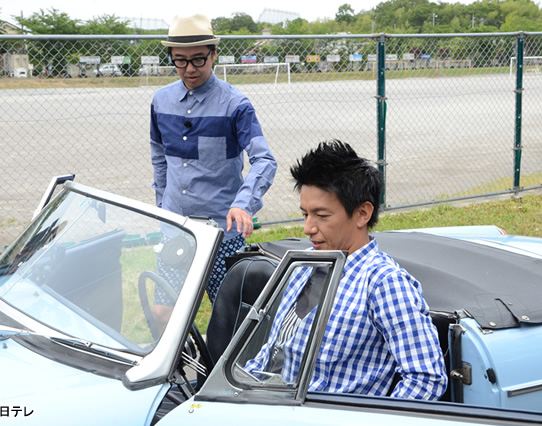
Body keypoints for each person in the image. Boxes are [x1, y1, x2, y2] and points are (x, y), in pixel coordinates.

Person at [245, 140, 447, 400]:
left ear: (362, 213)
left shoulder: (383, 283)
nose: (308, 228)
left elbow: (426, 379)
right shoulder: (304, 264)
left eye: (321, 216)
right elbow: (273, 352)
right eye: (305, 214)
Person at [150, 14, 277, 310]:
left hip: (223, 233)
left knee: (230, 319)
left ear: (214, 54)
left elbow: (264, 159)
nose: (189, 69)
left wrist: (243, 204)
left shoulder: (236, 105)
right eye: (180, 60)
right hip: (177, 230)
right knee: (164, 313)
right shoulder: (160, 101)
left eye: (198, 59)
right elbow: (159, 156)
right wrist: (162, 206)